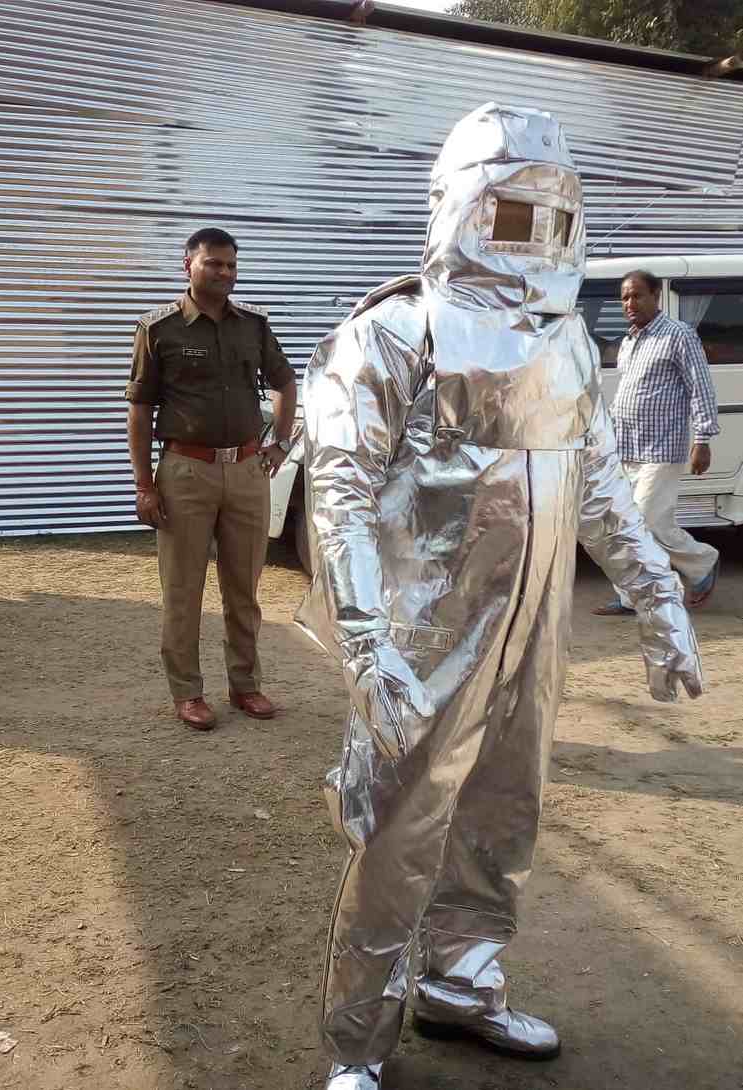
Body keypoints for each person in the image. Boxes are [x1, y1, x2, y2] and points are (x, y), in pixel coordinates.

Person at [295, 103, 703, 1090]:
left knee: (502, 817)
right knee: (403, 831)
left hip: (534, 633)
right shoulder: (398, 329)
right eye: (514, 210)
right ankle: (357, 1041)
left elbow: (600, 482)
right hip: (429, 636)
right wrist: (363, 640)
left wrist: (660, 599)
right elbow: (339, 489)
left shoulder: (564, 342)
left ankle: (462, 987)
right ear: (465, 205)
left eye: (554, 213)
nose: (536, 234)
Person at [126, 227, 297, 730]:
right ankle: (188, 693)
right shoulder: (159, 330)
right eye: (214, 264)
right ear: (188, 266)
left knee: (244, 587)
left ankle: (245, 685)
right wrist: (144, 484)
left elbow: (285, 382)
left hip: (247, 471)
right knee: (183, 590)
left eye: (231, 265)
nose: (225, 273)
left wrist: (281, 443)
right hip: (186, 472)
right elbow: (139, 408)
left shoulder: (253, 326)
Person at [592, 269, 721, 616]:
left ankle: (704, 563)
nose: (630, 303)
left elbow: (700, 387)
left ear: (656, 296)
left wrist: (703, 438)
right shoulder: (630, 341)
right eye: (624, 298)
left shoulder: (678, 334)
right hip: (626, 448)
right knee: (623, 526)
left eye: (637, 295)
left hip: (662, 449)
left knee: (647, 523)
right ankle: (631, 596)